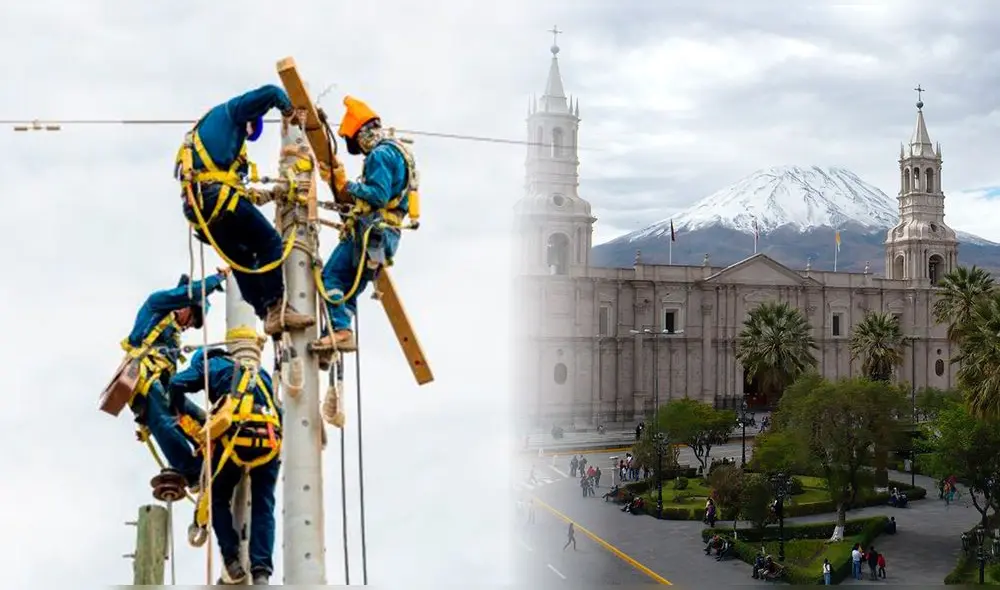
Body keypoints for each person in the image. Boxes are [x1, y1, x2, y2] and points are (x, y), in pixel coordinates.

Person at [174, 84, 315, 337]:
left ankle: (265, 314)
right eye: (249, 131)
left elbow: (234, 189)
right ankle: (275, 305)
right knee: (269, 240)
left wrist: (271, 194)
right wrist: (289, 111)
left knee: (243, 259)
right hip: (216, 199)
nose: (246, 137)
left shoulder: (207, 142)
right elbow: (272, 92)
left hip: (200, 210)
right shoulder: (233, 112)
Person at [312, 96, 419, 354]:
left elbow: (378, 195)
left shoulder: (380, 155)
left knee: (330, 278)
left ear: (361, 133)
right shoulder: (399, 152)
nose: (359, 149)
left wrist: (346, 185)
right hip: (385, 239)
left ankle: (340, 330)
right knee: (347, 289)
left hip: (372, 232)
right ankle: (337, 333)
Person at [168, 347, 282, 585]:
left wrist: (180, 412)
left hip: (235, 440)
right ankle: (261, 572)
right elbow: (278, 409)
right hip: (269, 439)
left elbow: (177, 384)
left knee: (218, 497)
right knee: (263, 504)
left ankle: (231, 560)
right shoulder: (259, 373)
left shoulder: (210, 365)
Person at [123, 270, 226, 488]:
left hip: (163, 385)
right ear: (184, 306)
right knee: (166, 423)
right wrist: (219, 278)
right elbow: (192, 292)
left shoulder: (173, 336)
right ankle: (193, 472)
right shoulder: (156, 306)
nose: (189, 326)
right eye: (193, 319)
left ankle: (212, 461)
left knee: (202, 420)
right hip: (145, 378)